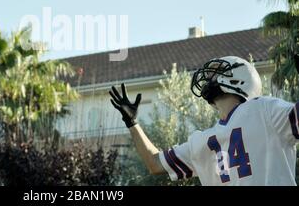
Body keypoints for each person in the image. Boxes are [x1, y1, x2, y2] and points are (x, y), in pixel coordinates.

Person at [110, 56, 299, 186]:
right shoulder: (200, 140)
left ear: (240, 78)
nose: (208, 77)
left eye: (216, 72)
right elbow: (154, 163)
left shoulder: (265, 109)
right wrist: (132, 123)